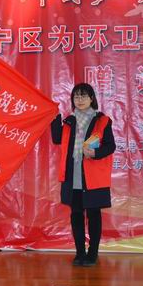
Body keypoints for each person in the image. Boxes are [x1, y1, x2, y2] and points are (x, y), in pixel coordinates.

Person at [50, 83, 115, 267]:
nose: (80, 100)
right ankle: (79, 253)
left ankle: (92, 253)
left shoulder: (102, 120)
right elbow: (56, 138)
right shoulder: (69, 121)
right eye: (76, 97)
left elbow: (110, 146)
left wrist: (95, 153)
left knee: (94, 215)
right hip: (73, 175)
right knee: (76, 214)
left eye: (83, 96)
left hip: (93, 176)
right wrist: (54, 116)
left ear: (91, 98)